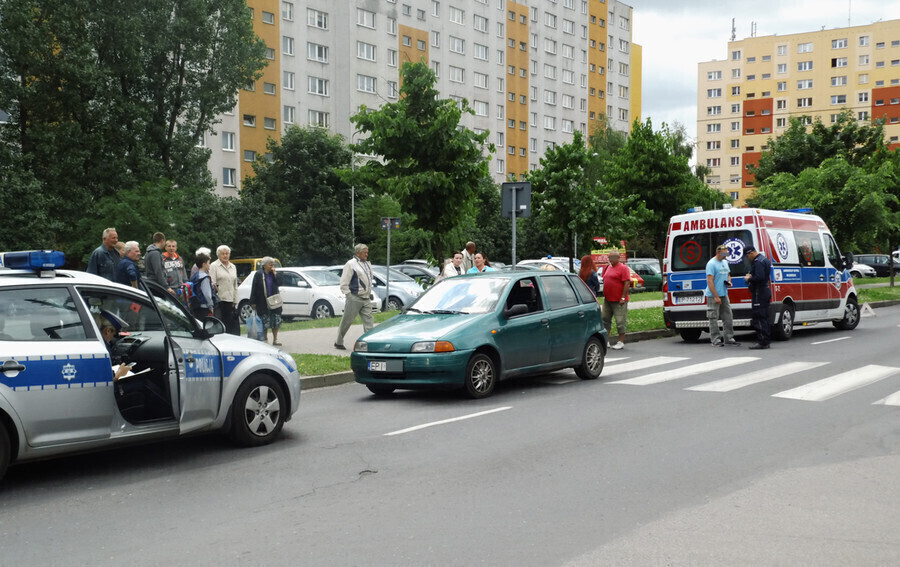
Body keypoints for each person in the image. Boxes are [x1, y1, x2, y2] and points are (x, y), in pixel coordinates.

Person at [334, 244, 375, 350]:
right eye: (364, 252)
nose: (367, 254)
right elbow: (344, 282)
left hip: (366, 298)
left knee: (369, 322)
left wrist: (369, 292)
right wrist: (348, 295)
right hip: (354, 297)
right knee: (347, 321)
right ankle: (338, 342)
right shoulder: (351, 264)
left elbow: (368, 280)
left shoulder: (367, 263)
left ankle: (370, 344)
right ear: (358, 253)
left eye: (367, 251)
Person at [704, 244, 739, 347]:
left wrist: (729, 281)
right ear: (718, 253)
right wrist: (716, 296)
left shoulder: (725, 262)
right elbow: (710, 281)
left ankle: (729, 338)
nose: (726, 256)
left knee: (728, 316)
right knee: (713, 317)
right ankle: (715, 339)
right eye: (724, 254)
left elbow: (728, 274)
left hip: (724, 293)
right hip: (713, 295)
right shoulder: (711, 264)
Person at [250, 257, 283, 345]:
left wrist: (275, 274)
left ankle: (275, 339)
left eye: (273, 264)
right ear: (264, 266)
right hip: (262, 301)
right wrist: (253, 301)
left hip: (274, 301)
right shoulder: (258, 274)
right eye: (270, 264)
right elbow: (254, 287)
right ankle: (265, 339)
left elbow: (280, 283)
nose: (272, 266)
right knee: (264, 321)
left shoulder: (274, 274)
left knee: (275, 320)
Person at [601, 250, 630, 350]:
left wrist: (622, 297)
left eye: (613, 258)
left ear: (618, 258)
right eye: (609, 258)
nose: (611, 260)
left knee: (620, 321)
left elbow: (627, 283)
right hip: (608, 299)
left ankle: (621, 341)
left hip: (619, 300)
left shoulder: (623, 268)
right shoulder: (608, 267)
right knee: (605, 319)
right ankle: (606, 340)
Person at [744, 246, 772, 350]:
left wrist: (749, 279)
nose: (748, 258)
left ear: (751, 253)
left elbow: (759, 277)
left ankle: (762, 341)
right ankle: (766, 340)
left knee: (759, 316)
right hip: (764, 291)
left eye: (747, 256)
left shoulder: (758, 262)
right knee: (764, 316)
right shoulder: (764, 259)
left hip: (759, 292)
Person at [210, 244, 240, 335]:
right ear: (219, 255)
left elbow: (235, 285)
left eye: (227, 253)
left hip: (230, 299)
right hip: (219, 299)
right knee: (220, 322)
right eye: (223, 254)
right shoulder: (214, 266)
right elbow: (212, 283)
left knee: (230, 323)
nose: (225, 256)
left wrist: (235, 299)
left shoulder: (233, 266)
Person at [189, 253, 216, 320]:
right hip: (204, 307)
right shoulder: (204, 278)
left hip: (196, 305)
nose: (209, 265)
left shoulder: (195, 275)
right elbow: (207, 295)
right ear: (204, 264)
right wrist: (211, 307)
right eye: (208, 263)